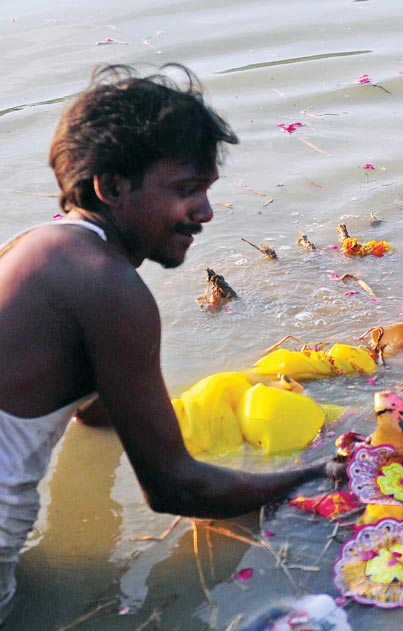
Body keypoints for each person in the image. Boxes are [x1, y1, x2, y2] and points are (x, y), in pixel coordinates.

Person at [0, 64, 339, 623]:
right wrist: (309, 474)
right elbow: (175, 489)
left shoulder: (36, 249)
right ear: (112, 187)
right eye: (186, 191)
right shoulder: (108, 288)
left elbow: (93, 413)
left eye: (206, 190)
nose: (205, 212)